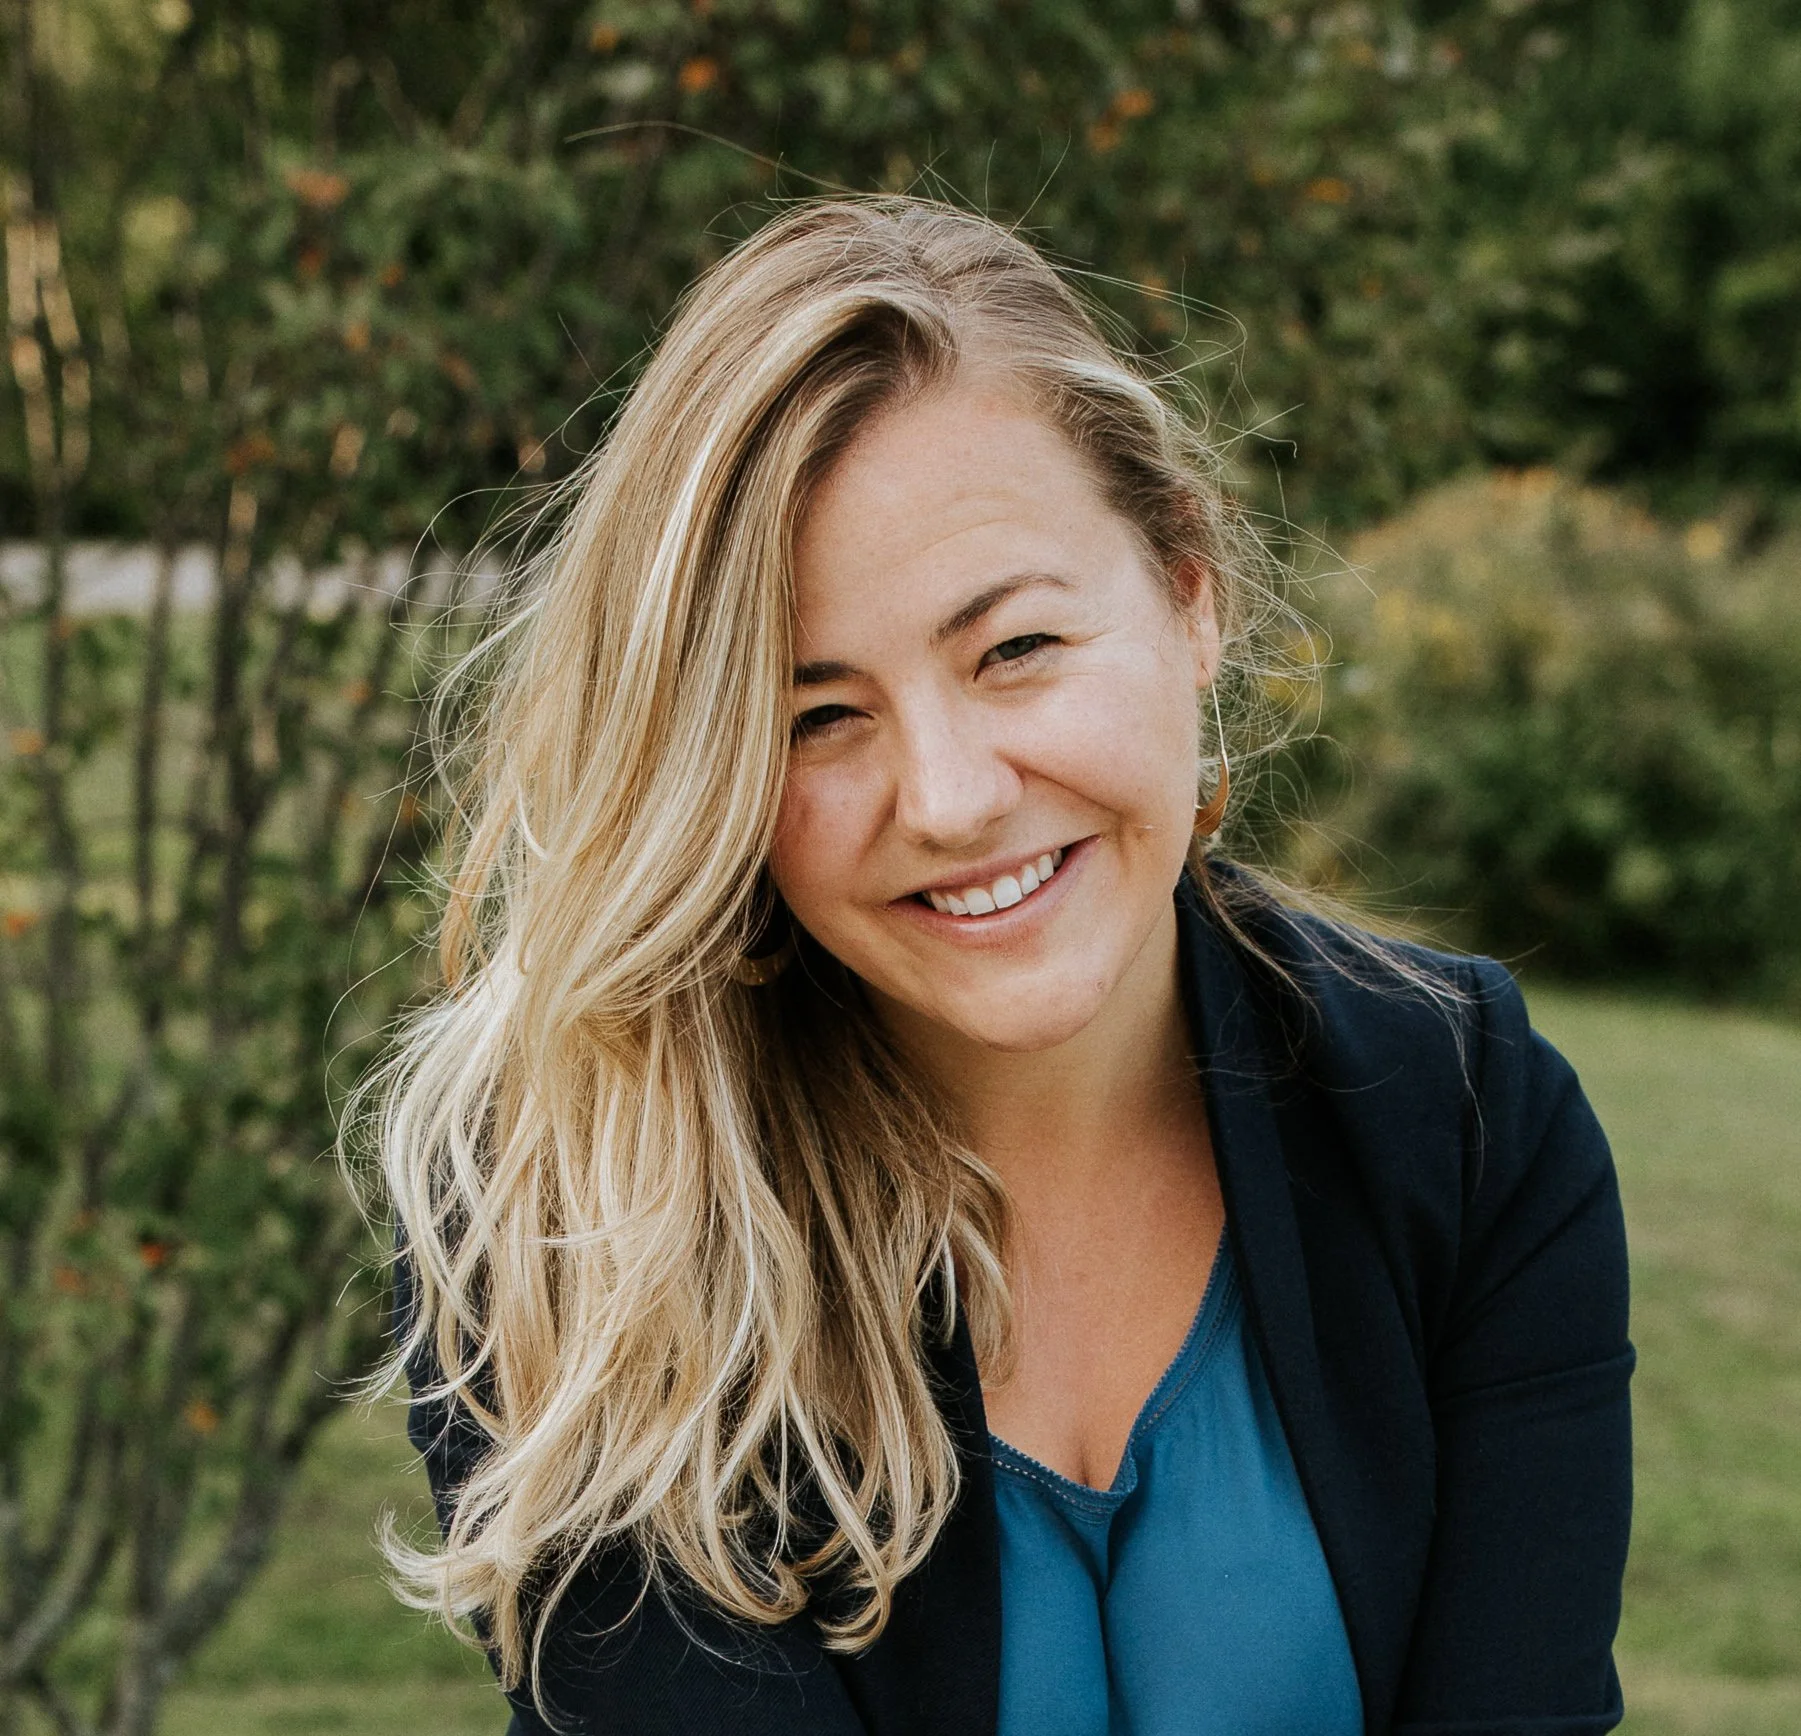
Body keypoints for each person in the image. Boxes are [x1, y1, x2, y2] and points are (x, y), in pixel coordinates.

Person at [367, 196, 1633, 1736]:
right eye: (816, 715)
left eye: (1015, 650)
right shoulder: (575, 1212)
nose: (952, 798)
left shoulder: (1466, 1114)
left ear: (1190, 593)